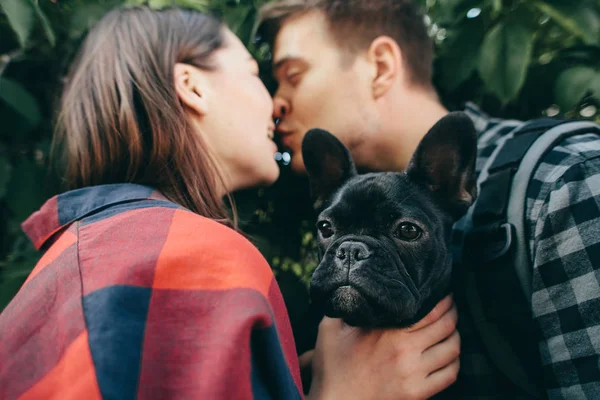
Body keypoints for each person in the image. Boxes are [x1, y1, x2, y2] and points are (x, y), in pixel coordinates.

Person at [0, 5, 460, 400]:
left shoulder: (62, 262)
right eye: (257, 75)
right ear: (193, 86)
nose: (277, 105)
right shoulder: (196, 255)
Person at [258, 0, 600, 398]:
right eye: (329, 230)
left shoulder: (563, 179)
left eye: (292, 75)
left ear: (382, 66)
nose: (275, 103)